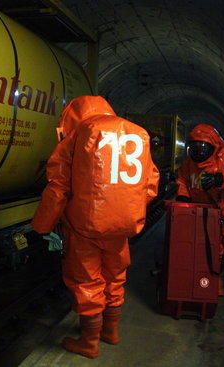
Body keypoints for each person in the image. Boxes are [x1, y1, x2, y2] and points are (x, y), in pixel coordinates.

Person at [32, 96, 159, 359]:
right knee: (115, 276)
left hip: (84, 228)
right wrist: (123, 210)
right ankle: (111, 331)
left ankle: (89, 342)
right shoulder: (137, 133)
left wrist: (41, 226)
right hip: (122, 227)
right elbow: (150, 184)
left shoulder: (78, 135)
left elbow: (58, 189)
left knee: (87, 281)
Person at [175, 123, 224, 295]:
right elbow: (182, 180)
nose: (198, 152)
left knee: (218, 246)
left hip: (220, 210)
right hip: (196, 210)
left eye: (202, 147)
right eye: (194, 147)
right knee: (193, 243)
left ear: (213, 146)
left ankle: (214, 282)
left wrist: (219, 179)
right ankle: (194, 278)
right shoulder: (189, 164)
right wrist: (183, 196)